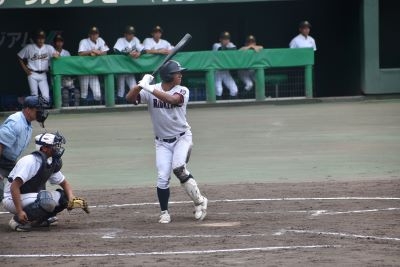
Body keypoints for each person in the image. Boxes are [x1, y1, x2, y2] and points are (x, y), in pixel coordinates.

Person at [126, 60, 208, 224]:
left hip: (182, 138)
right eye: (178, 73)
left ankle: (200, 201)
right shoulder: (151, 89)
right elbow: (129, 98)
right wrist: (139, 85)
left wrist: (149, 88)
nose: (181, 75)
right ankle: (164, 212)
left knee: (178, 168)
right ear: (170, 76)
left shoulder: (182, 90)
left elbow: (172, 100)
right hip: (162, 142)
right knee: (163, 177)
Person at [2, 132, 89, 232]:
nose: (57, 148)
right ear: (44, 148)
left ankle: (39, 220)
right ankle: (17, 221)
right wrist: (19, 211)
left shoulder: (48, 162)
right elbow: (14, 187)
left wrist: (71, 198)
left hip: (28, 197)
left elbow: (64, 183)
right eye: (54, 146)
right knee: (46, 200)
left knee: (64, 197)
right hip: (12, 198)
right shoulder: (29, 161)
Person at [0, 96, 48, 202]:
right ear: (28, 110)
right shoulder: (16, 123)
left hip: (9, 162)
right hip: (1, 159)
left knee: (32, 180)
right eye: (38, 110)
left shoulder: (26, 122)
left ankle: (38, 208)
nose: (41, 112)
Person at [17, 29, 59, 104]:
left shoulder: (48, 47)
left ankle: (25, 99)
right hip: (32, 74)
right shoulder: (29, 47)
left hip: (43, 74)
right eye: (39, 38)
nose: (40, 40)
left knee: (46, 98)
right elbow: (19, 57)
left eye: (42, 38)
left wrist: (56, 55)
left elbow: (57, 55)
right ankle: (34, 108)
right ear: (36, 39)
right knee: (34, 96)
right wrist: (25, 69)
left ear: (44, 39)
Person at [78, 26, 109, 105]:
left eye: (96, 34)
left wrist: (98, 52)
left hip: (94, 71)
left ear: (98, 34)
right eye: (92, 34)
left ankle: (96, 112)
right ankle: (82, 112)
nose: (94, 35)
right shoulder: (84, 41)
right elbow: (80, 53)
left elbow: (105, 52)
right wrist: (91, 51)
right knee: (84, 93)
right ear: (89, 35)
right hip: (84, 70)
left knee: (98, 94)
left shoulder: (100, 40)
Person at [113, 26, 145, 104]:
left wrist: (139, 53)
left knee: (134, 87)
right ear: (125, 34)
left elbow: (144, 50)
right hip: (121, 68)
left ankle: (134, 104)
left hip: (130, 69)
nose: (131, 35)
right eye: (129, 34)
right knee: (121, 89)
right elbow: (116, 50)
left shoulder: (135, 40)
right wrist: (128, 54)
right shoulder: (120, 40)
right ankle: (120, 107)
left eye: (132, 34)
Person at [53, 34, 80, 107]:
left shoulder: (66, 53)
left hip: (67, 78)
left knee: (76, 93)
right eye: (57, 41)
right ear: (54, 43)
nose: (59, 43)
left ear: (63, 43)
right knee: (65, 94)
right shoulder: (52, 52)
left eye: (60, 41)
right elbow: (50, 68)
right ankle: (65, 110)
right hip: (57, 79)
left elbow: (70, 66)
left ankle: (76, 109)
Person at [212, 31, 238, 99]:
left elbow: (235, 49)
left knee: (234, 90)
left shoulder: (230, 44)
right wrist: (230, 48)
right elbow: (221, 50)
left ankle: (232, 107)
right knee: (219, 90)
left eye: (227, 39)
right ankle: (215, 107)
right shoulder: (216, 45)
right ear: (220, 39)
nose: (226, 40)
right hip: (217, 71)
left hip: (225, 71)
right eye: (224, 39)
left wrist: (231, 47)